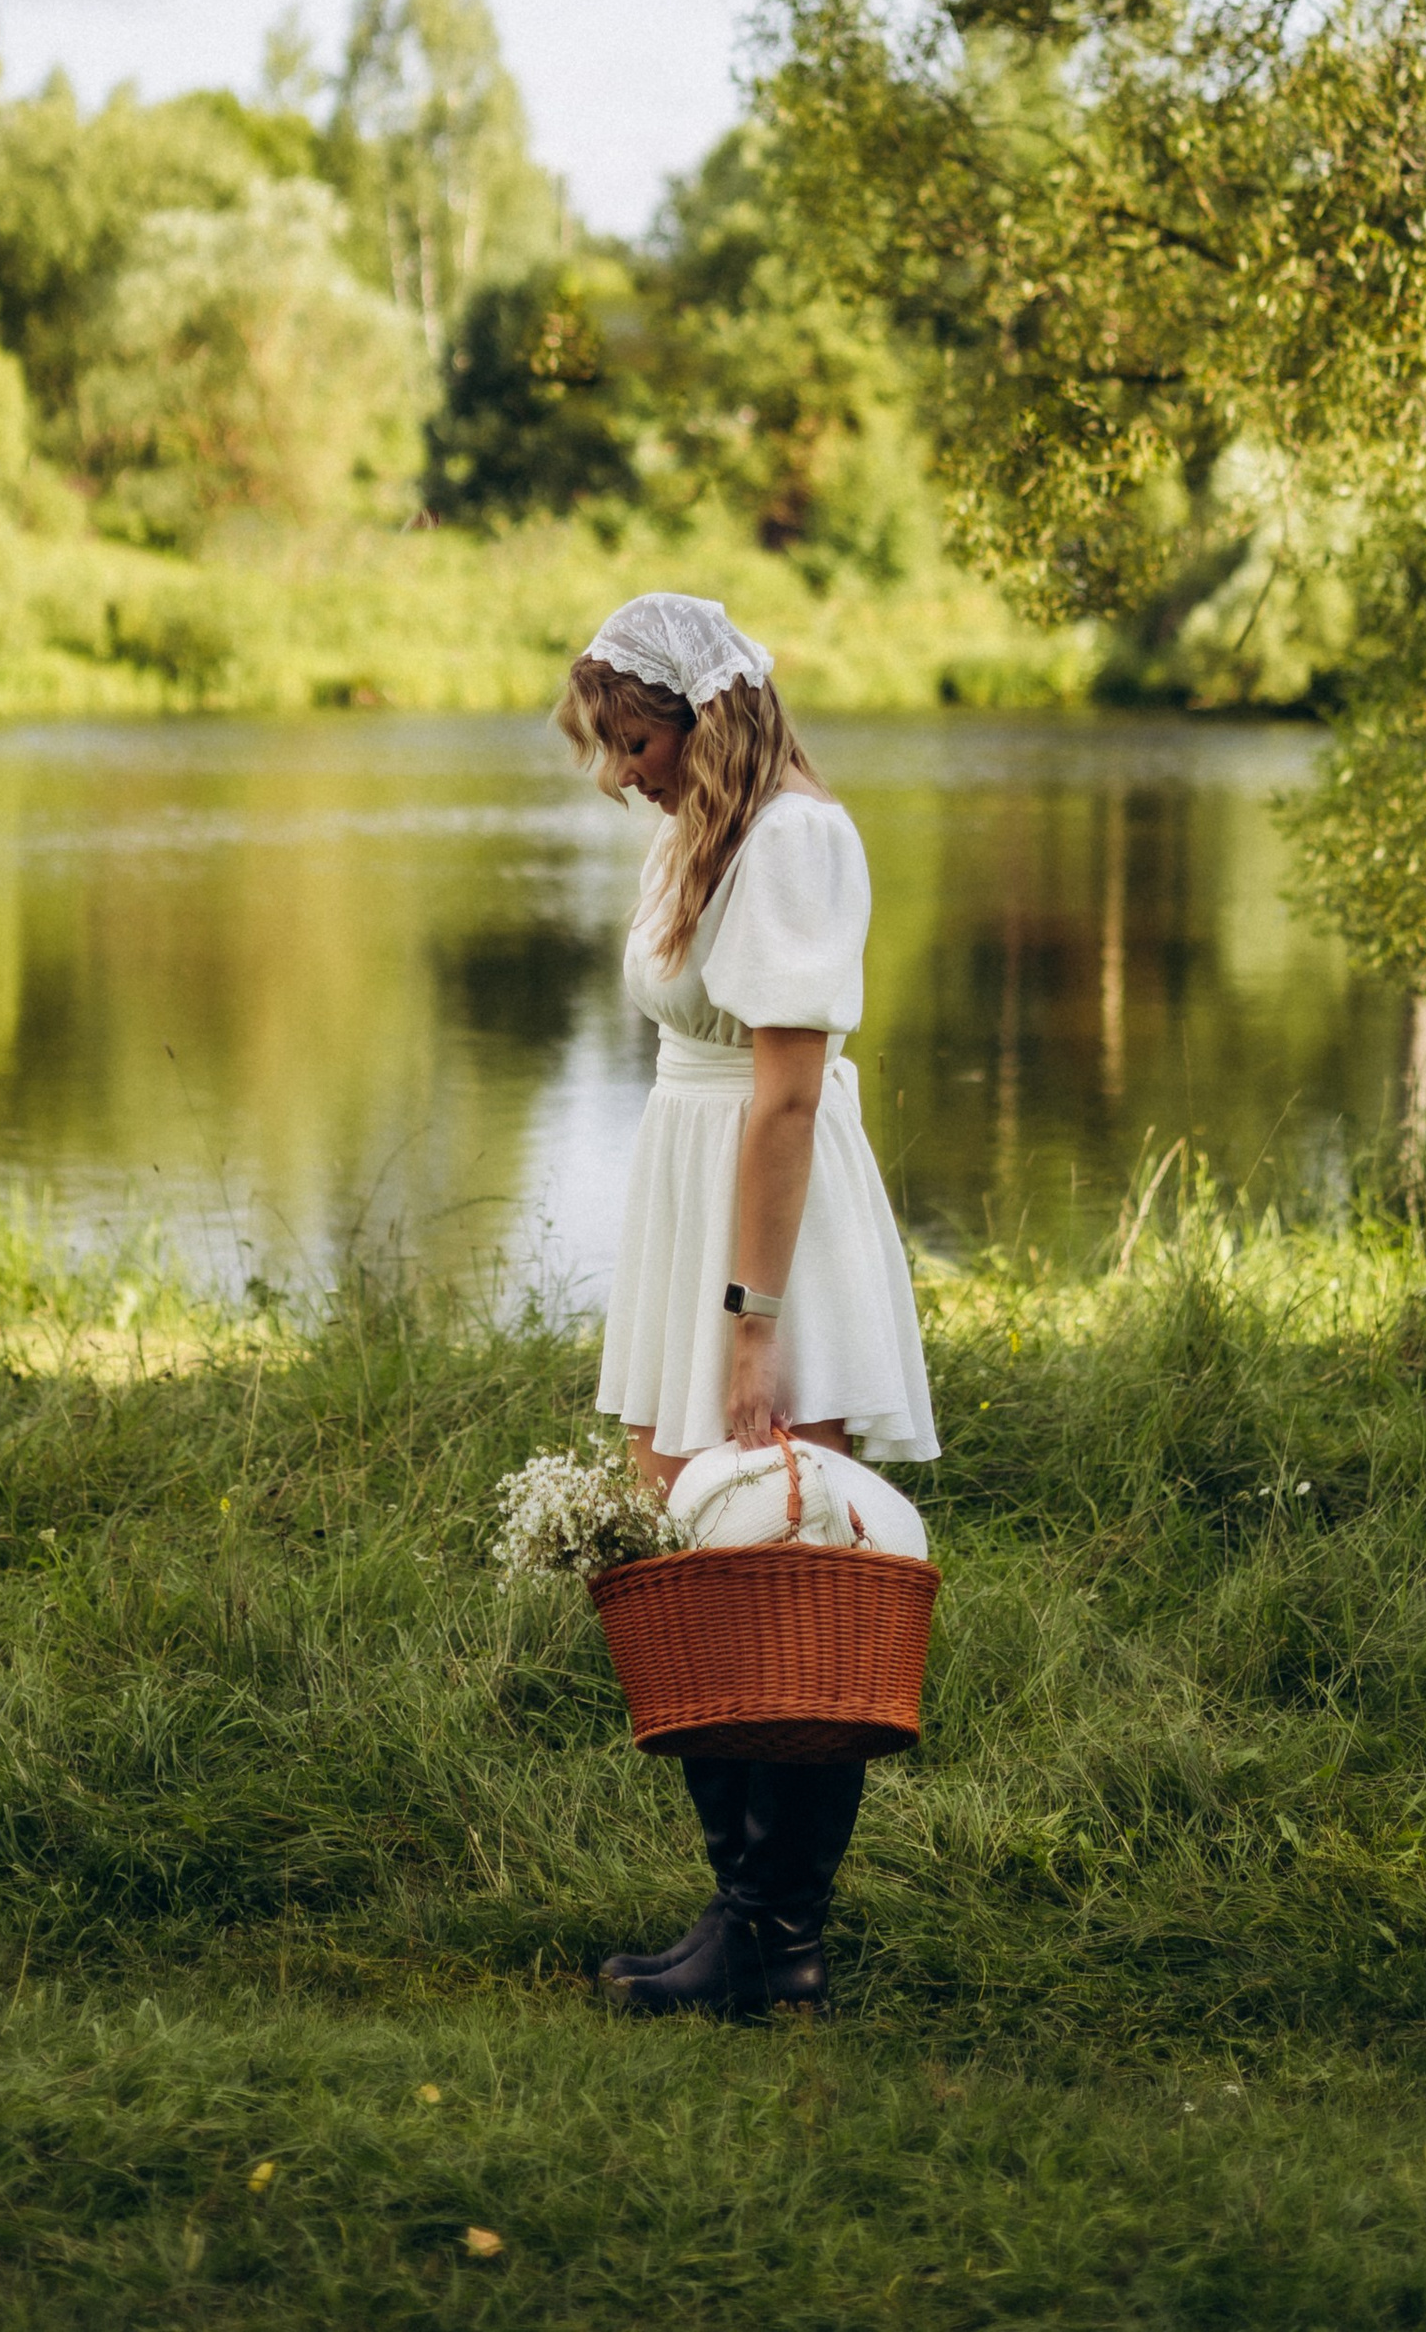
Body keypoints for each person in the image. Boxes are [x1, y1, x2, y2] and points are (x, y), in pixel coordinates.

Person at [556, 591, 938, 2016]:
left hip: (766, 1225)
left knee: (784, 1564)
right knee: (698, 1570)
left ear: (702, 719)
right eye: (609, 744)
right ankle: (744, 1922)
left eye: (638, 739)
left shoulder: (793, 841)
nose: (622, 770)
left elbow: (784, 1091)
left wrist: (752, 1321)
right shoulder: (699, 834)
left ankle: (782, 1945)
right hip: (694, 1198)